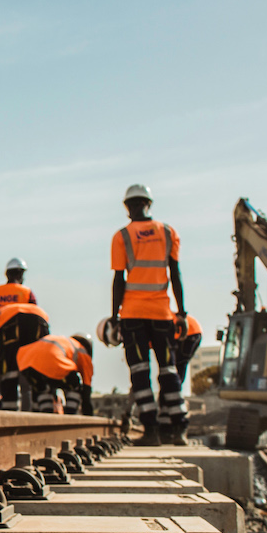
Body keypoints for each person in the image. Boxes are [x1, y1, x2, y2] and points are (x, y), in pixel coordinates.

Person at [110, 184, 189, 445]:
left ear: (127, 207)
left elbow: (119, 280)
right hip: (162, 313)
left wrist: (114, 315)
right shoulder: (168, 233)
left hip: (132, 314)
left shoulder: (122, 236)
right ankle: (178, 430)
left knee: (140, 372)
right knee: (168, 369)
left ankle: (151, 431)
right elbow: (175, 275)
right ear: (149, 204)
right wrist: (182, 312)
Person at [0, 301, 50, 410]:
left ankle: (9, 412)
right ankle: (31, 417)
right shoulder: (2, 314)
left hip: (12, 324)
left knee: (9, 375)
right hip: (40, 317)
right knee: (30, 377)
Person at [161, 314, 203, 438]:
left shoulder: (141, 334)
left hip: (188, 332)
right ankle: (169, 423)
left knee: (172, 376)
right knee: (172, 375)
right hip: (191, 331)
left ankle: (171, 425)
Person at [17, 333, 79, 414]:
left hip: (25, 362)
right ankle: (71, 415)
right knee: (76, 385)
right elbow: (87, 385)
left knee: (43, 389)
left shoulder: (60, 342)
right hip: (54, 362)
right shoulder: (79, 348)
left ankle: (46, 415)